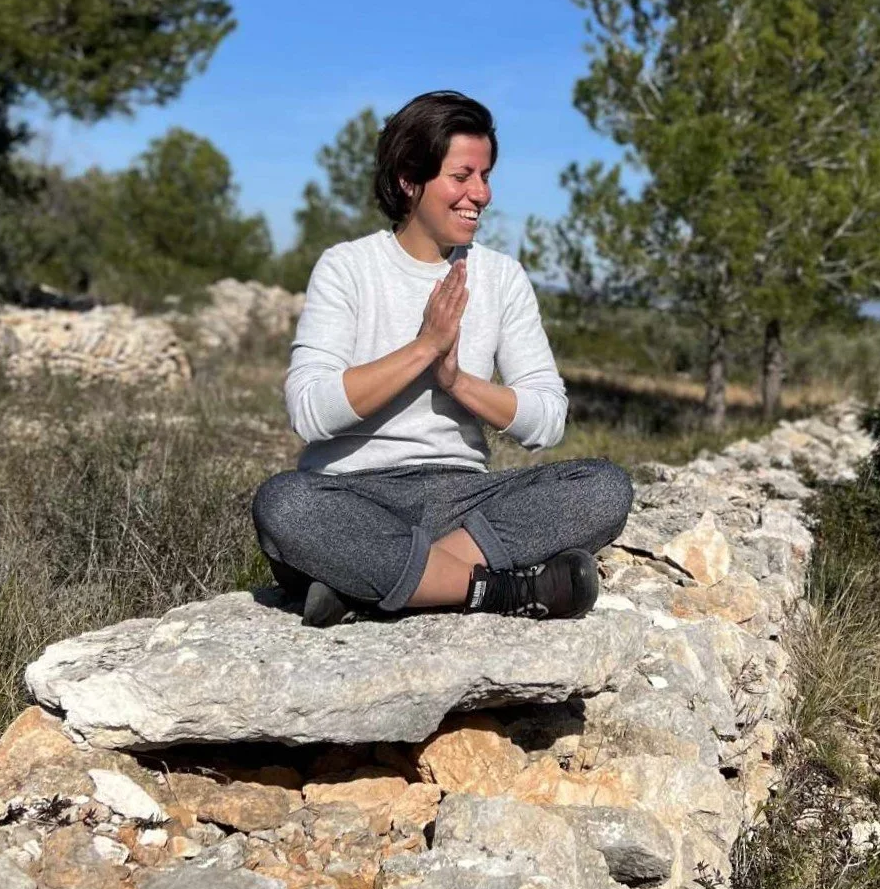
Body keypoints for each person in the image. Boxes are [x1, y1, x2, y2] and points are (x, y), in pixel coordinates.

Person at [252, 90, 633, 626]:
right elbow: (310, 412)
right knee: (285, 505)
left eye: (486, 176)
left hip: (462, 498)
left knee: (603, 488)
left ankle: (372, 587)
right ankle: (502, 591)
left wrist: (457, 382)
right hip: (352, 495)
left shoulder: (502, 277)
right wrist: (424, 348)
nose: (481, 193)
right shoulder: (347, 268)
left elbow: (547, 421)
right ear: (410, 179)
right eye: (462, 176)